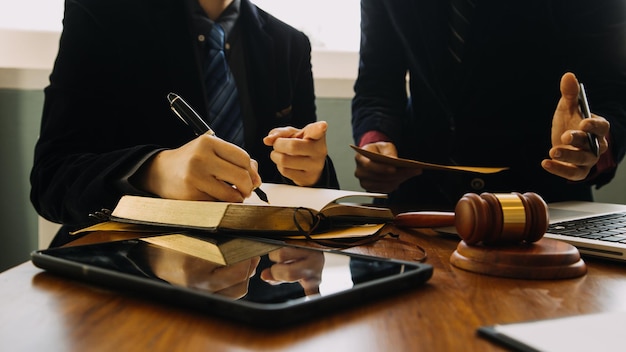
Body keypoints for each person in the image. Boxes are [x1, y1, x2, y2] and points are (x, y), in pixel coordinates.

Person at [30, 0, 339, 247]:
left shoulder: (290, 44)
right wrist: (154, 171)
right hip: (126, 271)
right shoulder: (102, 12)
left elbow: (298, 180)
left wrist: (311, 173)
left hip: (257, 271)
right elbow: (51, 180)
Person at [352, 0, 626, 210]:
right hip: (416, 209)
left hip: (543, 210)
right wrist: (375, 142)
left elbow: (613, 89)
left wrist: (590, 143)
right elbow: (377, 82)